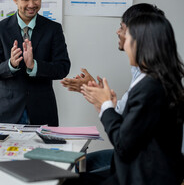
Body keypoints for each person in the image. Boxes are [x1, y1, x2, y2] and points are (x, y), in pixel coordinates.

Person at [66, 13, 184, 184]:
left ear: (142, 44)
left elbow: (123, 144)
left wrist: (106, 106)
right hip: (142, 170)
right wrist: (106, 106)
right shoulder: (157, 80)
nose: (123, 41)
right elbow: (135, 131)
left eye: (127, 36)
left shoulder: (151, 88)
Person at [0, 0, 70, 126]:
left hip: (43, 111)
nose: (32, 4)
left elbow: (63, 67)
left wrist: (34, 66)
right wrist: (11, 64)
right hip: (8, 113)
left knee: (41, 151)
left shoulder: (53, 29)